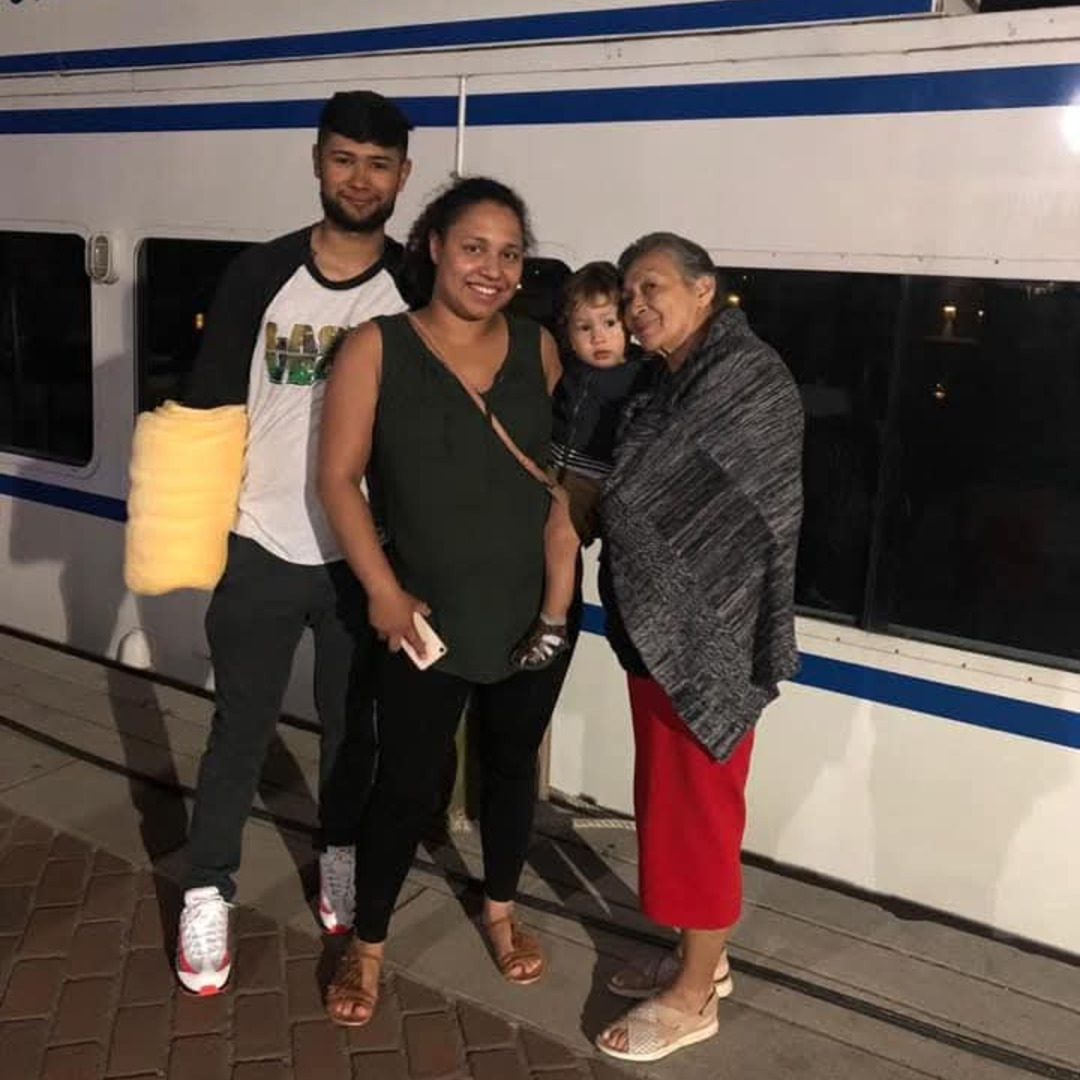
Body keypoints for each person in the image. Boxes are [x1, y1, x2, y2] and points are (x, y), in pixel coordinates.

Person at [172, 90, 415, 995]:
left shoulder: (416, 285)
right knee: (240, 727)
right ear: (317, 162)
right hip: (262, 540)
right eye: (344, 159)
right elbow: (205, 409)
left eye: (378, 164)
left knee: (355, 730)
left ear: (403, 176)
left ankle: (338, 854)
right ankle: (206, 889)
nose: (360, 178)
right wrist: (195, 537)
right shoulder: (261, 273)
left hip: (364, 558)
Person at [318, 176, 573, 1027]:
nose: (492, 268)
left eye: (510, 253)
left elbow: (560, 474)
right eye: (474, 247)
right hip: (422, 617)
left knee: (511, 769)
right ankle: (368, 943)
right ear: (432, 246)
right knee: (405, 782)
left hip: (532, 613)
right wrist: (383, 593)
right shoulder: (377, 347)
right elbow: (338, 480)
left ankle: (500, 909)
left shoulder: (539, 346)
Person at [595, 232, 804, 1063]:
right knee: (670, 805)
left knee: (700, 816)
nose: (635, 307)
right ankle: (699, 959)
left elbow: (642, 487)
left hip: (710, 640)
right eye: (627, 295)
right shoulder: (668, 378)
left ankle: (693, 1000)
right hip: (663, 632)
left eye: (652, 288)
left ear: (704, 288)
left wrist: (596, 492)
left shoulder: (745, 376)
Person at [511, 261, 653, 670]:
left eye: (609, 323)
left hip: (594, 477)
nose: (598, 337)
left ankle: (553, 624)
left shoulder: (643, 374)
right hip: (553, 467)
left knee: (560, 535)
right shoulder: (567, 368)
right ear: (567, 334)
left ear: (629, 326)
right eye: (584, 327)